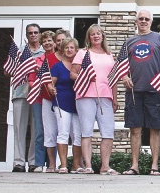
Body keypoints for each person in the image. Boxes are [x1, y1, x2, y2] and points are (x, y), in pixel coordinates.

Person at [121, 9, 160, 176]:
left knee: (155, 128)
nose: (143, 21)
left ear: (151, 21)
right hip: (134, 91)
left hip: (154, 91)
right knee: (135, 129)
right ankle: (134, 165)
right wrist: (124, 77)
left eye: (146, 19)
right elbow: (121, 65)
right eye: (140, 19)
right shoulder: (129, 41)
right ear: (136, 21)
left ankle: (154, 166)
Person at [71, 24, 119, 175]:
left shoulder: (109, 54)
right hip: (85, 96)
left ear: (103, 36)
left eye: (98, 33)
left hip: (105, 96)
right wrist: (85, 78)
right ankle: (88, 166)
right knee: (86, 131)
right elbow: (73, 74)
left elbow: (114, 78)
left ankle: (105, 166)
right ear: (89, 37)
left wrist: (115, 98)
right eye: (93, 34)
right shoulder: (82, 53)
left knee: (108, 132)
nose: (96, 36)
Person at [5, 23, 44, 172]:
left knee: (36, 129)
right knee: (19, 129)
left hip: (37, 95)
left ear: (39, 34)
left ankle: (33, 161)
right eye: (30, 33)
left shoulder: (44, 52)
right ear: (27, 35)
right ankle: (18, 162)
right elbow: (7, 72)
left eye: (35, 32)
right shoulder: (20, 51)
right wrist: (17, 68)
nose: (33, 35)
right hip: (20, 93)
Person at [28, 30, 61, 173]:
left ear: (54, 43)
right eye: (45, 41)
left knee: (57, 130)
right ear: (42, 43)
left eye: (50, 40)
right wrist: (40, 86)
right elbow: (31, 81)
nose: (48, 43)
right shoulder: (38, 61)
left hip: (57, 97)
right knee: (41, 131)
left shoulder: (60, 58)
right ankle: (39, 162)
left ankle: (53, 163)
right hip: (39, 98)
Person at [49, 38, 83, 174]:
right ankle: (63, 165)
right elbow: (50, 83)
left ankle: (76, 165)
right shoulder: (57, 66)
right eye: (66, 48)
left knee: (78, 135)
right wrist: (51, 89)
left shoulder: (80, 66)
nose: (69, 50)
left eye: (72, 48)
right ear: (62, 50)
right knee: (63, 133)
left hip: (78, 103)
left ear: (76, 50)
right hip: (61, 102)